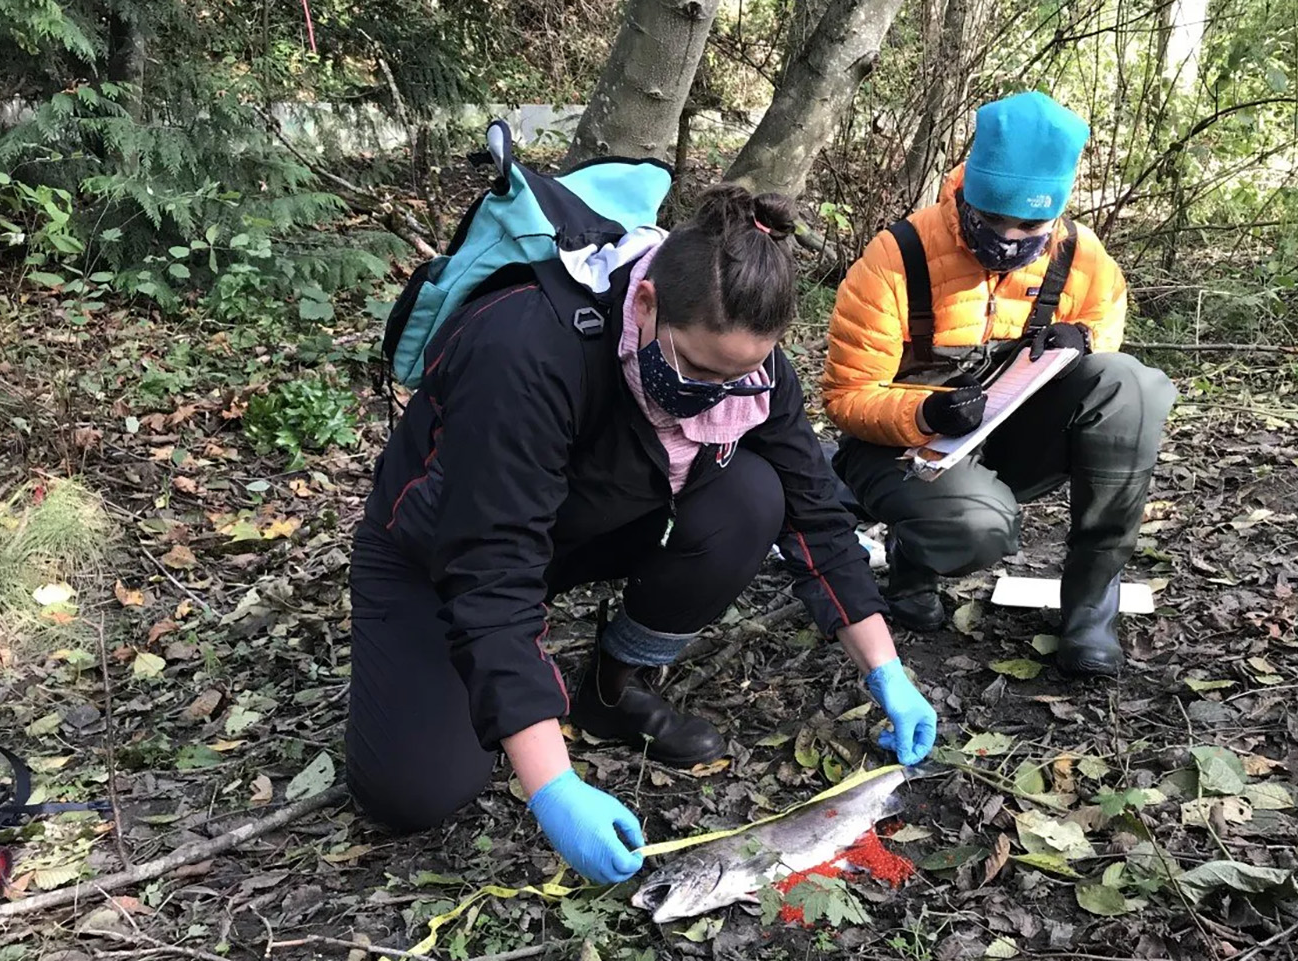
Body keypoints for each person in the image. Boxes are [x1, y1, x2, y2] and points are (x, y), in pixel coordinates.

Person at [347, 184, 939, 886]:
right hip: (436, 550)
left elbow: (814, 512)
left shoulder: (753, 372)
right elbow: (492, 568)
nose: (719, 394)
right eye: (699, 369)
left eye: (741, 374)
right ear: (648, 302)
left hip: (588, 521)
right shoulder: (526, 347)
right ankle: (504, 700)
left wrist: (886, 669)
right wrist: (554, 786)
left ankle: (610, 685)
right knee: (413, 792)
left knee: (753, 496)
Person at [822, 91, 1177, 678]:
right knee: (977, 528)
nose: (1010, 238)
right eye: (991, 219)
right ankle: (915, 559)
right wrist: (929, 416)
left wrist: (1081, 341)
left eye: (1031, 224)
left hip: (1012, 431)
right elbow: (846, 396)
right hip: (904, 447)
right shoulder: (896, 257)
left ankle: (1091, 606)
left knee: (1131, 386)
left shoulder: (1081, 256)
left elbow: (1105, 334)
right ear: (966, 193)